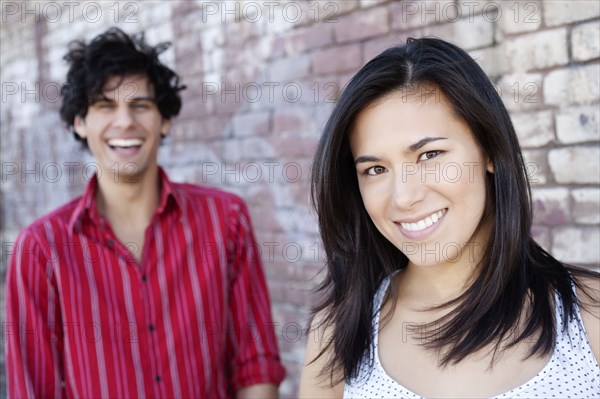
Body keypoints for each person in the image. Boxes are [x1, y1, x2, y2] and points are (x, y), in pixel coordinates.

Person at [299, 37, 599, 398]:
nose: (404, 197)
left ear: (489, 150)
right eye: (376, 169)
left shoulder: (590, 314)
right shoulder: (337, 333)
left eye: (429, 155)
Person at [5, 27, 285, 398]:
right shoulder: (40, 249)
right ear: (80, 122)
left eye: (140, 105)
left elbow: (256, 367)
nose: (125, 122)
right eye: (105, 105)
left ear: (164, 120)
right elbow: (33, 389)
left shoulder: (225, 221)